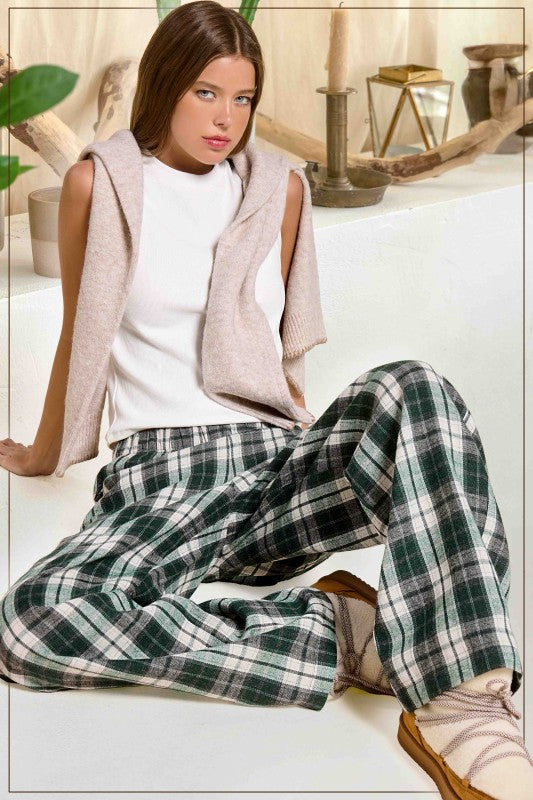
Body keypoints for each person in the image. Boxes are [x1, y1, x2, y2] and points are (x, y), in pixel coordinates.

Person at [0, 3, 530, 798]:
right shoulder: (97, 183)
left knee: (413, 384)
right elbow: (82, 335)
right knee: (35, 620)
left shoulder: (276, 189)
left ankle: (466, 697)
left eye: (243, 98)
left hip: (273, 470)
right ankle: (357, 634)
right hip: (163, 484)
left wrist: (322, 445)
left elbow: (279, 359)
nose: (226, 119)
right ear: (164, 85)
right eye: (206, 93)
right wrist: (43, 454)